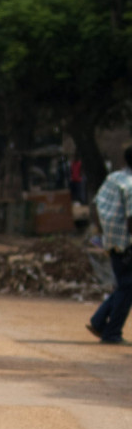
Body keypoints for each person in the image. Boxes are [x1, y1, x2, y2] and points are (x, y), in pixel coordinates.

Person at [87, 144, 132, 344]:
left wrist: (102, 231)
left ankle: (98, 321)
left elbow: (96, 204)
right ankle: (111, 333)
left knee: (125, 285)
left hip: (112, 240)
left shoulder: (114, 178)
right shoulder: (131, 185)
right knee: (127, 287)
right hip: (127, 243)